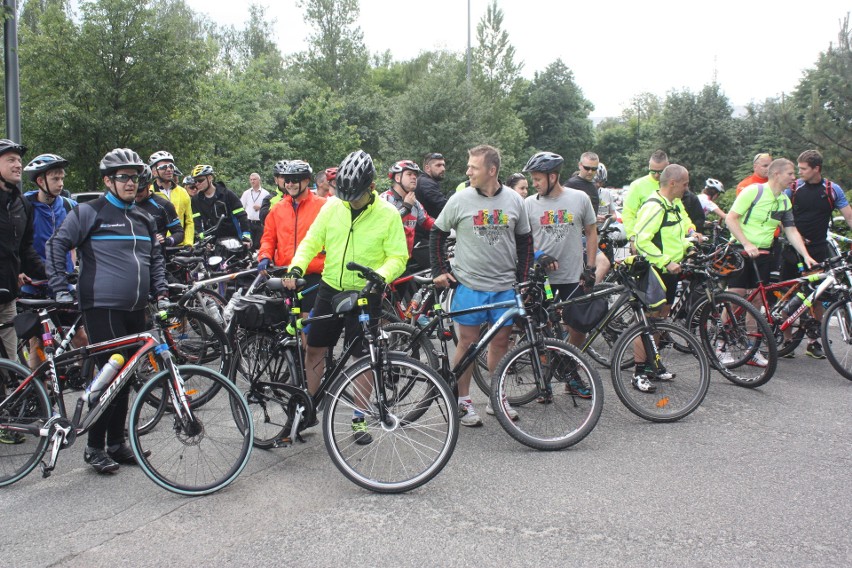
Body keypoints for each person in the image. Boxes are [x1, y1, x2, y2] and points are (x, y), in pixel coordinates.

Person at [46, 148, 168, 473]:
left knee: (126, 377)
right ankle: (93, 447)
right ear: (108, 180)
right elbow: (57, 244)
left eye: (136, 177)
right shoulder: (90, 212)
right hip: (102, 306)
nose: (131, 183)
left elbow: (154, 259)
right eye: (123, 177)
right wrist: (59, 285)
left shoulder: (144, 217)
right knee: (109, 374)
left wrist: (164, 291)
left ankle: (116, 442)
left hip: (136, 307)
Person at [283, 150, 408, 444]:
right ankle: (309, 407)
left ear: (372, 187)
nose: (349, 201)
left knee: (363, 356)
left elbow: (398, 256)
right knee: (314, 348)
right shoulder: (331, 207)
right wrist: (297, 265)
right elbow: (312, 240)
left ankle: (359, 418)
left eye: (356, 196)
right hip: (330, 287)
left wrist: (382, 276)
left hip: (366, 292)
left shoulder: (388, 213)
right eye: (345, 195)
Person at [430, 144, 533, 426]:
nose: (467, 171)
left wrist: (523, 278)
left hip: (504, 286)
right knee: (468, 343)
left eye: (473, 168)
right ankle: (463, 402)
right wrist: (440, 270)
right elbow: (437, 233)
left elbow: (525, 240)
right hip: (470, 285)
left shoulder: (514, 200)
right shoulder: (460, 199)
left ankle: (496, 398)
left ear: (491, 170)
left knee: (501, 341)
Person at [725, 158, 816, 365]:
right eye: (791, 174)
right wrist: (746, 243)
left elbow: (791, 230)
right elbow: (730, 218)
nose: (794, 177)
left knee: (756, 301)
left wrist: (806, 255)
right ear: (776, 174)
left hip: (764, 254)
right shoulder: (753, 191)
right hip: (740, 251)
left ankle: (751, 349)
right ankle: (722, 343)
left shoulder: (784, 200)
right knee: (734, 297)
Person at [522, 152, 597, 392]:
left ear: (553, 176)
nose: (534, 184)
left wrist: (591, 267)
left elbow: (592, 231)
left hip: (573, 275)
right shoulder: (529, 204)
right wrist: (537, 255)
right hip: (542, 278)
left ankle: (568, 367)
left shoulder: (580, 198)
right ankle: (544, 381)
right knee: (542, 330)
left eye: (537, 179)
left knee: (579, 327)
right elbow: (522, 240)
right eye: (532, 179)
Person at [780, 150, 852, 359]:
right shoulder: (793, 188)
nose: (798, 173)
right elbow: (780, 215)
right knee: (789, 292)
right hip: (793, 249)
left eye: (803, 169)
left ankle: (813, 341)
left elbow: (848, 216)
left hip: (819, 249)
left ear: (816, 169)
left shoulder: (832, 189)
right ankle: (787, 341)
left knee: (817, 296)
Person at [21, 153, 89, 371]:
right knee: (37, 342)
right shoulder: (26, 205)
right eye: (55, 179)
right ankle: (40, 390)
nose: (60, 184)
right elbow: (20, 243)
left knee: (81, 336)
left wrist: (74, 267)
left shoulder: (69, 205)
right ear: (41, 181)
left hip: (62, 281)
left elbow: (73, 243)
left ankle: (83, 377)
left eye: (62, 178)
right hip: (34, 283)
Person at [632, 164, 696, 392]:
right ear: (673, 183)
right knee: (647, 324)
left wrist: (691, 240)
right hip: (655, 271)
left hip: (671, 272)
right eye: (685, 184)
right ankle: (639, 373)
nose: (687, 188)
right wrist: (665, 261)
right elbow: (641, 241)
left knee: (660, 320)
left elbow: (679, 231)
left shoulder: (674, 204)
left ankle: (653, 365)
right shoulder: (655, 206)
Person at [0, 139, 45, 381]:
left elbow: (25, 250)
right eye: (11, 160)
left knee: (10, 365)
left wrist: (51, 272)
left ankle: (11, 412)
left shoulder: (22, 204)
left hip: (7, 297)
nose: (18, 165)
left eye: (19, 160)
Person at [257, 160, 326, 312]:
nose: (290, 184)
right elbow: (268, 237)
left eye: (295, 180)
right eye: (287, 180)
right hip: (286, 272)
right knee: (290, 322)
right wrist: (264, 256)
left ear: (307, 180)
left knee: (307, 322)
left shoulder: (323, 205)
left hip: (313, 273)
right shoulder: (278, 208)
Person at [565, 152, 611, 283]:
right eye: (587, 168)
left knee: (583, 274)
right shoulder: (572, 184)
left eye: (594, 169)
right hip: (578, 237)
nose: (590, 172)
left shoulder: (591, 186)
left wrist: (595, 218)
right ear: (580, 165)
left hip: (589, 235)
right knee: (603, 264)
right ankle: (588, 296)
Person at [381, 160, 435, 270]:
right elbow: (383, 225)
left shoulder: (414, 202)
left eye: (415, 174)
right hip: (386, 262)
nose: (414, 177)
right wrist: (406, 207)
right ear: (397, 178)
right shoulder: (384, 200)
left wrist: (447, 226)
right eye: (409, 174)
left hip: (405, 259)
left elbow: (426, 221)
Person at [190, 164, 251, 246]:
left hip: (232, 239)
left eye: (200, 180)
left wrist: (246, 237)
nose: (197, 184)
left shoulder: (227, 194)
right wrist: (202, 237)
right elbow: (197, 221)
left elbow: (242, 216)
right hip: (211, 242)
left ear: (210, 178)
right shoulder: (195, 200)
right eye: (195, 181)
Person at [622, 150, 670, 238]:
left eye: (660, 172)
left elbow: (680, 212)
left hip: (669, 240)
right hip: (644, 239)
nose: (656, 175)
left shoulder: (672, 185)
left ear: (667, 166)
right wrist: (632, 236)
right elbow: (628, 214)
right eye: (653, 171)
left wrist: (690, 230)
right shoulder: (637, 185)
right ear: (649, 165)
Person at [149, 151, 193, 245]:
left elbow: (189, 221)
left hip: (180, 245)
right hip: (158, 245)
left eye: (171, 166)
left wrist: (188, 244)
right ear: (154, 172)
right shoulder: (149, 192)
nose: (169, 169)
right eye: (163, 167)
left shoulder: (183, 192)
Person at [134, 165, 184, 248]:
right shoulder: (125, 203)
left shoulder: (164, 205)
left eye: (140, 190)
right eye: (134, 189)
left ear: (149, 185)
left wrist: (167, 240)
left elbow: (179, 233)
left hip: (155, 255)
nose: (136, 194)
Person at [241, 172, 269, 249]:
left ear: (259, 180)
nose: (252, 181)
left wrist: (260, 207)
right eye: (251, 180)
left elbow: (268, 209)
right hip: (248, 223)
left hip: (260, 224)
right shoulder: (246, 193)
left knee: (259, 245)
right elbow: (241, 207)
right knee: (248, 244)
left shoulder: (265, 193)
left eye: (254, 179)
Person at [415, 152, 448, 219]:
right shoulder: (426, 183)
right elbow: (444, 205)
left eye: (443, 165)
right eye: (438, 165)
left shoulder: (425, 180)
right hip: (427, 227)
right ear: (427, 168)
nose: (443, 169)